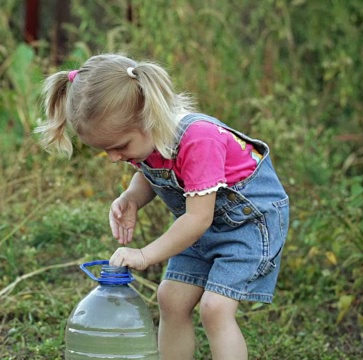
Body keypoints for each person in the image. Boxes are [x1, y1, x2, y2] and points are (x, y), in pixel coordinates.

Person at [35, 53, 289, 360]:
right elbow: (150, 172)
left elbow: (198, 218)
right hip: (201, 227)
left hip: (248, 226)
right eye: (105, 151)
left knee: (215, 308)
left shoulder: (199, 139)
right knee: (170, 298)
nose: (115, 157)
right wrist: (131, 198)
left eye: (119, 147)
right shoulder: (148, 137)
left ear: (148, 119)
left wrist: (144, 254)